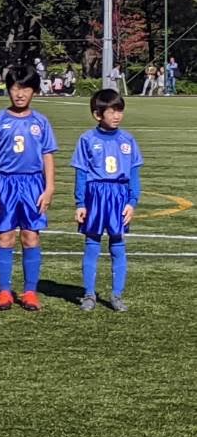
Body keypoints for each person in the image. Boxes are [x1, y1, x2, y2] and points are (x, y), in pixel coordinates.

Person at [0, 64, 58, 311]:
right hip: (3, 183)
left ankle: (30, 292)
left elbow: (47, 155)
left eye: (25, 89)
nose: (20, 94)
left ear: (34, 91)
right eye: (15, 88)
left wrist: (49, 188)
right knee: (5, 237)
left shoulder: (41, 121)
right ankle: (3, 291)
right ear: (8, 90)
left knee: (30, 236)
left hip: (33, 183)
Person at [73, 89, 142, 312]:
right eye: (111, 111)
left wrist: (132, 201)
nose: (116, 116)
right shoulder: (87, 139)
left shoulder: (127, 140)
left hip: (118, 196)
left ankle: (116, 295)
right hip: (95, 194)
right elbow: (81, 173)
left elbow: (133, 173)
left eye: (119, 110)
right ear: (97, 114)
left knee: (118, 245)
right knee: (92, 244)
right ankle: (89, 294)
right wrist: (80, 203)